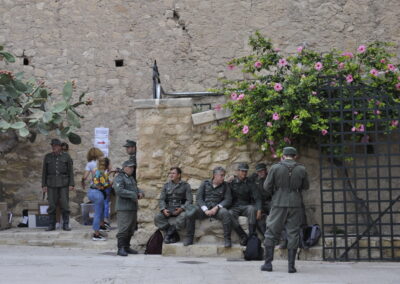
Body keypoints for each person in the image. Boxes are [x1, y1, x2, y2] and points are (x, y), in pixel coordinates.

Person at [261, 147, 310, 273]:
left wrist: (277, 191)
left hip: (278, 202)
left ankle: (268, 264)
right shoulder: (301, 168)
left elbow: (266, 186)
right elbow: (306, 186)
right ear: (295, 156)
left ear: (283, 155)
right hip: (295, 203)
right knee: (293, 233)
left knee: (271, 231)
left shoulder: (275, 167)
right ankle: (291, 266)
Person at [186, 166, 233, 247]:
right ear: (215, 175)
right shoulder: (205, 183)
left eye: (223, 176)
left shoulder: (225, 185)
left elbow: (228, 200)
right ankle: (189, 238)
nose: (223, 178)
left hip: (217, 210)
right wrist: (205, 210)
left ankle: (227, 239)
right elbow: (199, 198)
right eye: (221, 175)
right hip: (205, 209)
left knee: (225, 213)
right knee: (191, 212)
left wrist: (217, 207)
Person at [41, 138, 74, 231]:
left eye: (55, 146)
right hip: (51, 184)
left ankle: (66, 224)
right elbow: (44, 172)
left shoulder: (66, 156)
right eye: (52, 146)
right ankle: (51, 224)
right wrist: (43, 185)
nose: (53, 147)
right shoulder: (47, 157)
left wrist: (71, 184)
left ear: (59, 147)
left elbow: (70, 171)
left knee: (64, 204)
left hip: (63, 183)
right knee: (51, 205)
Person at [154, 167, 193, 245]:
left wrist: (181, 209)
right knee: (158, 217)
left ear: (178, 175)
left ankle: (169, 235)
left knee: (184, 216)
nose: (171, 175)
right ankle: (172, 232)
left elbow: (190, 200)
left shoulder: (185, 185)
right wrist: (163, 209)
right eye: (170, 173)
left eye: (173, 173)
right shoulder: (166, 185)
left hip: (180, 208)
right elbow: (162, 199)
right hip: (169, 209)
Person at [113, 160, 144, 256]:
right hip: (123, 207)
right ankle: (120, 248)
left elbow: (135, 188)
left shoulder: (130, 178)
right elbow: (119, 190)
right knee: (124, 228)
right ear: (125, 167)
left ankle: (126, 247)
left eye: (133, 167)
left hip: (132, 206)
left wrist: (140, 192)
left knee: (130, 228)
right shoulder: (119, 177)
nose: (132, 169)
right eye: (130, 167)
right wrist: (133, 194)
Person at [228, 163, 262, 246]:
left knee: (251, 209)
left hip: (246, 206)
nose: (244, 173)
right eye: (242, 171)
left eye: (246, 171)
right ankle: (243, 236)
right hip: (234, 207)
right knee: (229, 214)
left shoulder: (250, 183)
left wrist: (259, 209)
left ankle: (251, 235)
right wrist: (227, 181)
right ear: (238, 171)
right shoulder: (231, 182)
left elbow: (257, 197)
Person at [87, 157, 110, 241]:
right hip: (97, 194)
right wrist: (113, 181)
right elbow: (105, 184)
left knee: (101, 209)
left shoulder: (97, 170)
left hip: (92, 192)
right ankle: (96, 234)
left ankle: (102, 225)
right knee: (98, 213)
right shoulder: (102, 172)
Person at [251, 163, 270, 235]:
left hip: (269, 202)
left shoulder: (270, 178)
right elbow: (245, 179)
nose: (260, 173)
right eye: (259, 171)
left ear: (265, 170)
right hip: (259, 203)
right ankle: (265, 236)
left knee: (276, 214)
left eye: (262, 171)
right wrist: (233, 177)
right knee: (256, 216)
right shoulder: (254, 177)